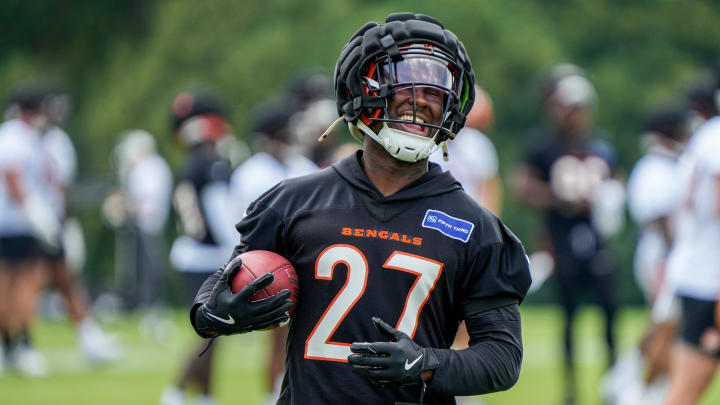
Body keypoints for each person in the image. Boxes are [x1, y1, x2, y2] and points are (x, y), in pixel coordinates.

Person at [191, 12, 531, 405]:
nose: (420, 101)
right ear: (363, 91)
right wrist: (218, 311)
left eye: (436, 91)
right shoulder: (293, 202)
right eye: (403, 83)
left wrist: (426, 363)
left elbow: (503, 359)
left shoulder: (475, 227)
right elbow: (218, 290)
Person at [514, 64, 623, 405]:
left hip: (598, 239)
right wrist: (560, 200)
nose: (575, 115)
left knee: (609, 315)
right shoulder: (543, 147)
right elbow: (523, 188)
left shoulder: (601, 146)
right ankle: (571, 390)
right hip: (562, 240)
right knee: (569, 317)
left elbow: (616, 182)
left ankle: (614, 384)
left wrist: (609, 200)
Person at [228, 100, 318, 405]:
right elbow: (246, 230)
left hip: (307, 261)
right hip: (270, 264)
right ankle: (272, 396)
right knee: (280, 341)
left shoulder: (301, 168)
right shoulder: (252, 174)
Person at [601, 104, 690, 405]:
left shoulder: (663, 165)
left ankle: (621, 381)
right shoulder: (655, 168)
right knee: (668, 326)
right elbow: (661, 218)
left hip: (662, 256)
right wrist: (680, 255)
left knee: (660, 324)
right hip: (662, 256)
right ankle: (638, 391)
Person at [161, 91, 237, 405]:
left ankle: (205, 396)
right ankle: (176, 392)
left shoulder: (188, 165)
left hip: (193, 253)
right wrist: (239, 247)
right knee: (210, 333)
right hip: (208, 256)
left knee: (213, 334)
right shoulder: (211, 164)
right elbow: (219, 214)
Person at [663, 70, 720, 405]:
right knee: (685, 393)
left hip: (698, 272)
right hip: (710, 279)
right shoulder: (715, 137)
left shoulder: (705, 137)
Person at [0, 84, 65, 377]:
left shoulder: (22, 137)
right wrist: (38, 215)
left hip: (17, 221)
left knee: (16, 285)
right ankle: (19, 344)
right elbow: (13, 180)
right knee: (22, 284)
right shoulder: (16, 137)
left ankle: (11, 346)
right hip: (17, 222)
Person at [103, 129, 173, 314]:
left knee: (150, 266)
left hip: (147, 222)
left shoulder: (150, 167)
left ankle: (151, 303)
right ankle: (142, 302)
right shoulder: (151, 167)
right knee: (141, 266)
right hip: (144, 222)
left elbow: (145, 199)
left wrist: (123, 206)